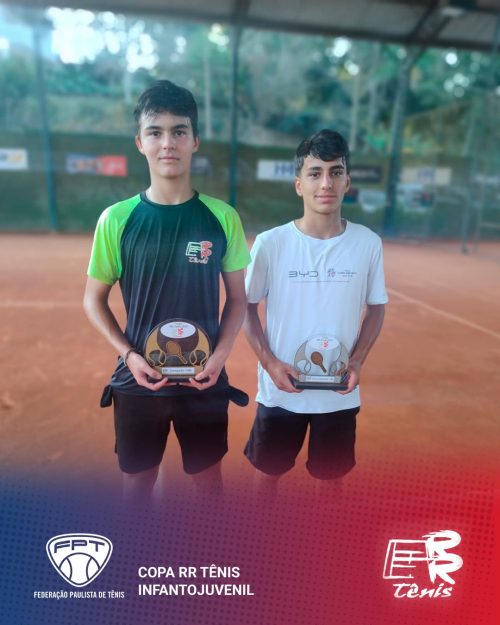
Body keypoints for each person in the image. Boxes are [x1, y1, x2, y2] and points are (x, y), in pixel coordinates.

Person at [83, 80, 250, 504]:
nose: (167, 143)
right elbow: (93, 300)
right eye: (155, 132)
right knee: (137, 486)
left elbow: (238, 299)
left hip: (204, 381)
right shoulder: (116, 219)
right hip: (139, 382)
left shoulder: (222, 217)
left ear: (195, 140)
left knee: (208, 485)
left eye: (179, 131)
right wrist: (130, 356)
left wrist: (219, 358)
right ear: (140, 143)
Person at [243, 129, 387, 498]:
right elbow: (245, 307)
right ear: (298, 184)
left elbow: (376, 307)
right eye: (315, 173)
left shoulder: (367, 243)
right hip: (281, 391)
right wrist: (270, 363)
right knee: (267, 477)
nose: (326, 183)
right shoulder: (271, 244)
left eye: (336, 172)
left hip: (338, 392)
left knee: (331, 481)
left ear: (347, 181)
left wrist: (357, 360)